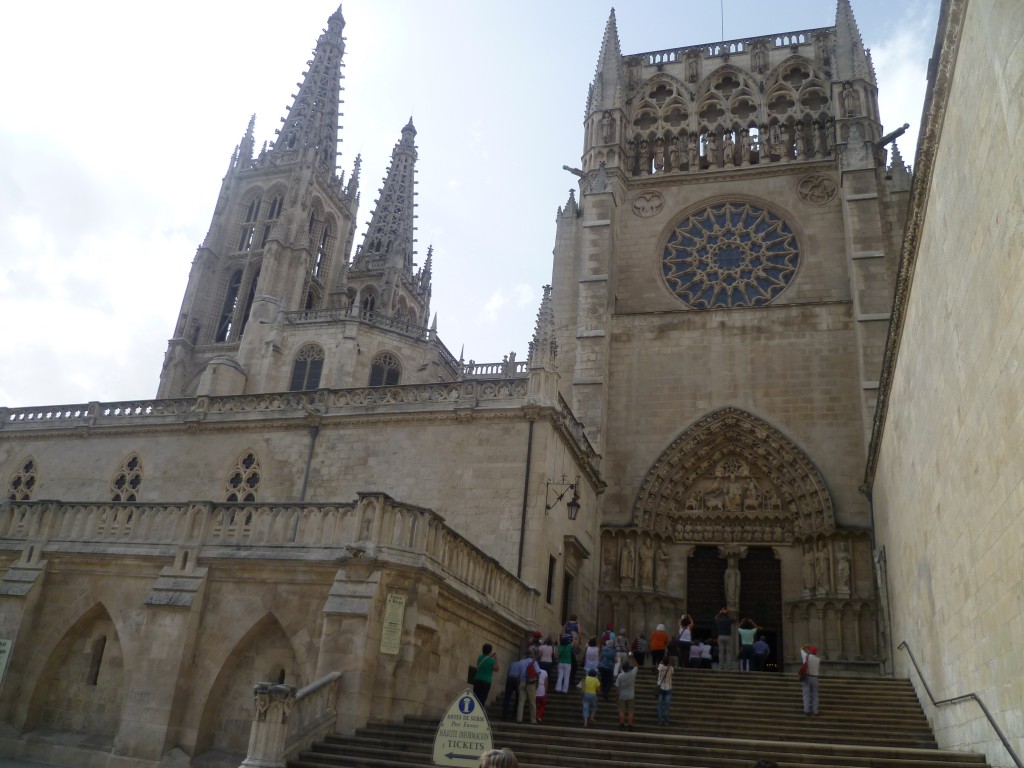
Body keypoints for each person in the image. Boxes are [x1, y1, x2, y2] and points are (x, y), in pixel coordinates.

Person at [515, 650, 540, 724]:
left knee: (521, 702)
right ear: (531, 655)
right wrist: (537, 683)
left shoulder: (520, 662)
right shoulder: (534, 662)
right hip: (531, 683)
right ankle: (533, 720)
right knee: (532, 703)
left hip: (522, 682)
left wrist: (518, 684)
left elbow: (517, 675)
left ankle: (519, 719)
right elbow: (538, 673)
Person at [614, 656, 638, 731]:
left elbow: (617, 687)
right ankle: (630, 725)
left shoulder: (620, 676)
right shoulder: (632, 673)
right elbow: (637, 666)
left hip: (622, 695)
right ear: (628, 667)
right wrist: (632, 657)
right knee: (630, 711)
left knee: (621, 710)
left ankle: (622, 723)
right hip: (631, 695)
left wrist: (617, 697)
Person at [501, 653, 526, 719]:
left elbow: (508, 672)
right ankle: (515, 713)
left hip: (510, 678)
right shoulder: (523, 664)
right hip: (517, 680)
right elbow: (522, 674)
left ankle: (504, 713)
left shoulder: (513, 663)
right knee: (518, 697)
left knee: (507, 696)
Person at [800, 643, 821, 715]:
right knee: (815, 694)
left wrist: (805, 646)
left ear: (809, 651)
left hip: (807, 677)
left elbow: (801, 649)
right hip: (815, 677)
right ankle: (815, 711)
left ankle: (806, 710)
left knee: (806, 694)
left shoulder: (806, 656)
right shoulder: (818, 659)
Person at [655, 656, 673, 725]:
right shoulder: (671, 668)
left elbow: (656, 671)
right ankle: (666, 721)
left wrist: (661, 662)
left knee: (660, 705)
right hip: (668, 688)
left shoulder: (660, 666)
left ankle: (659, 720)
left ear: (663, 661)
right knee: (667, 706)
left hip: (660, 688)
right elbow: (672, 667)